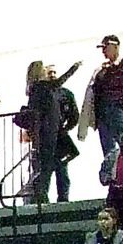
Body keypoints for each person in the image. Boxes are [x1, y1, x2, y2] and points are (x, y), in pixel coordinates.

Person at [23, 59, 81, 203]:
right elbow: (59, 81)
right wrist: (73, 68)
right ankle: (44, 198)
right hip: (49, 134)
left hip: (49, 134)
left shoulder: (36, 90)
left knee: (50, 169)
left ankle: (45, 198)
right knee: (47, 169)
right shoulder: (42, 88)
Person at [87, 34, 123, 156]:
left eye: (106, 47)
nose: (103, 51)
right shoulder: (102, 70)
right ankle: (111, 172)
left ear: (116, 47)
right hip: (103, 112)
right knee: (108, 150)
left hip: (119, 110)